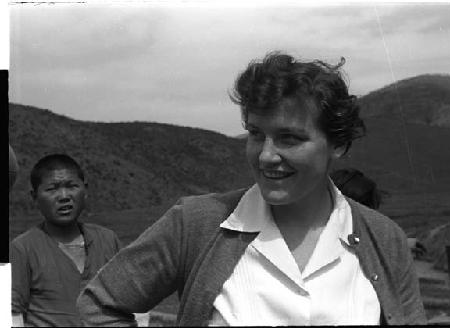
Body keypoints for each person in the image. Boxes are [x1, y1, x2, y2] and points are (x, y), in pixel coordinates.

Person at [77, 52, 426, 326]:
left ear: (338, 145)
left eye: (289, 138)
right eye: (256, 134)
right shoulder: (196, 225)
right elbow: (98, 306)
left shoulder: (384, 239)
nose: (266, 155)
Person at [10, 154, 122, 327]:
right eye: (52, 189)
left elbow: (130, 299)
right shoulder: (21, 249)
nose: (64, 196)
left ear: (85, 190)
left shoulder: (108, 240)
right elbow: (12, 314)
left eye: (72, 186)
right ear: (34, 197)